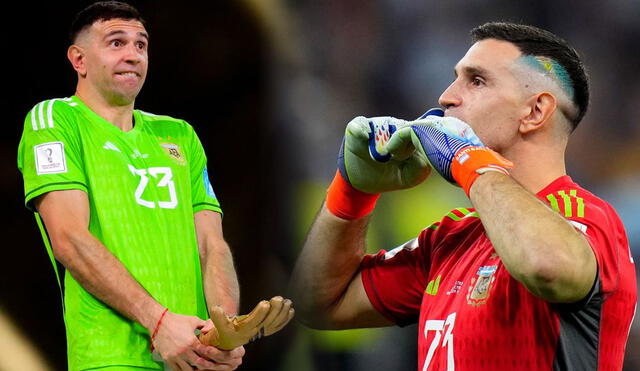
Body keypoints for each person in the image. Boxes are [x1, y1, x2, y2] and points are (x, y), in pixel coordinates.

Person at [292, 22, 637, 370]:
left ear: (534, 112)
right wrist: (352, 194)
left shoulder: (588, 217)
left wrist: (470, 162)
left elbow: (547, 266)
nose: (446, 96)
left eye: (476, 81)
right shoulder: (451, 238)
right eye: (456, 78)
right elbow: (318, 304)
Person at [17, 2, 293, 370]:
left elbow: (212, 245)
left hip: (190, 358)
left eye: (140, 45)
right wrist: (158, 322)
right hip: (111, 358)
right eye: (116, 43)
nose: (133, 55)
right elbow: (69, 239)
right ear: (78, 60)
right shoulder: (54, 120)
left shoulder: (179, 135)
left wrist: (223, 331)